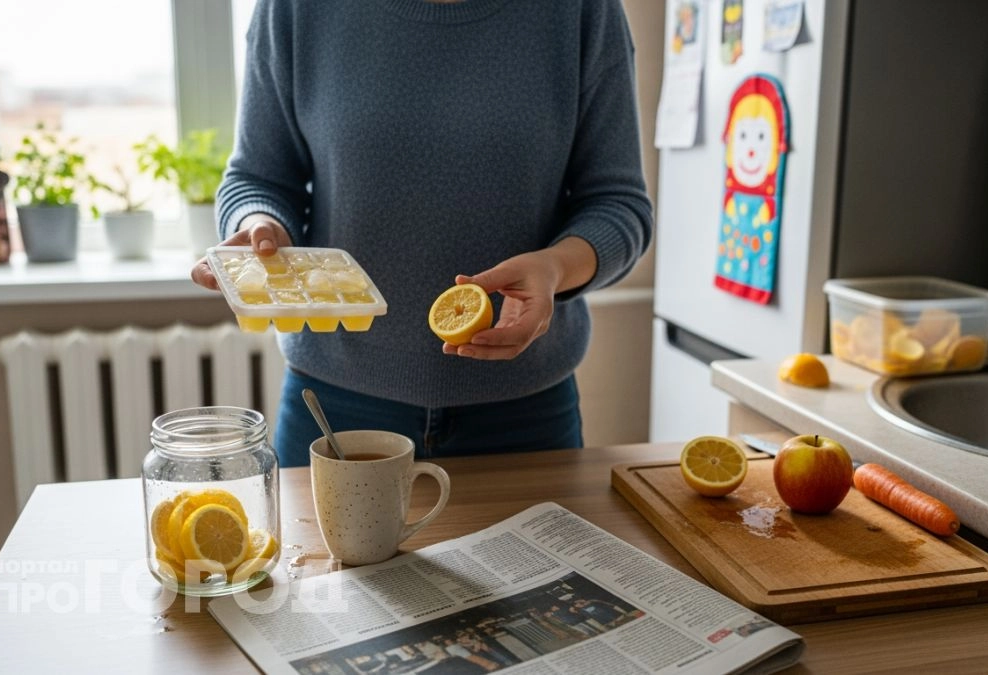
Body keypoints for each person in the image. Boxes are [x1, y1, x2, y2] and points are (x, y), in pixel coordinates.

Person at [190, 0, 653, 466]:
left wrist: (554, 268)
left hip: (525, 415)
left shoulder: (581, 12)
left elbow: (619, 204)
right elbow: (258, 178)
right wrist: (260, 226)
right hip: (335, 407)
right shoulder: (293, 9)